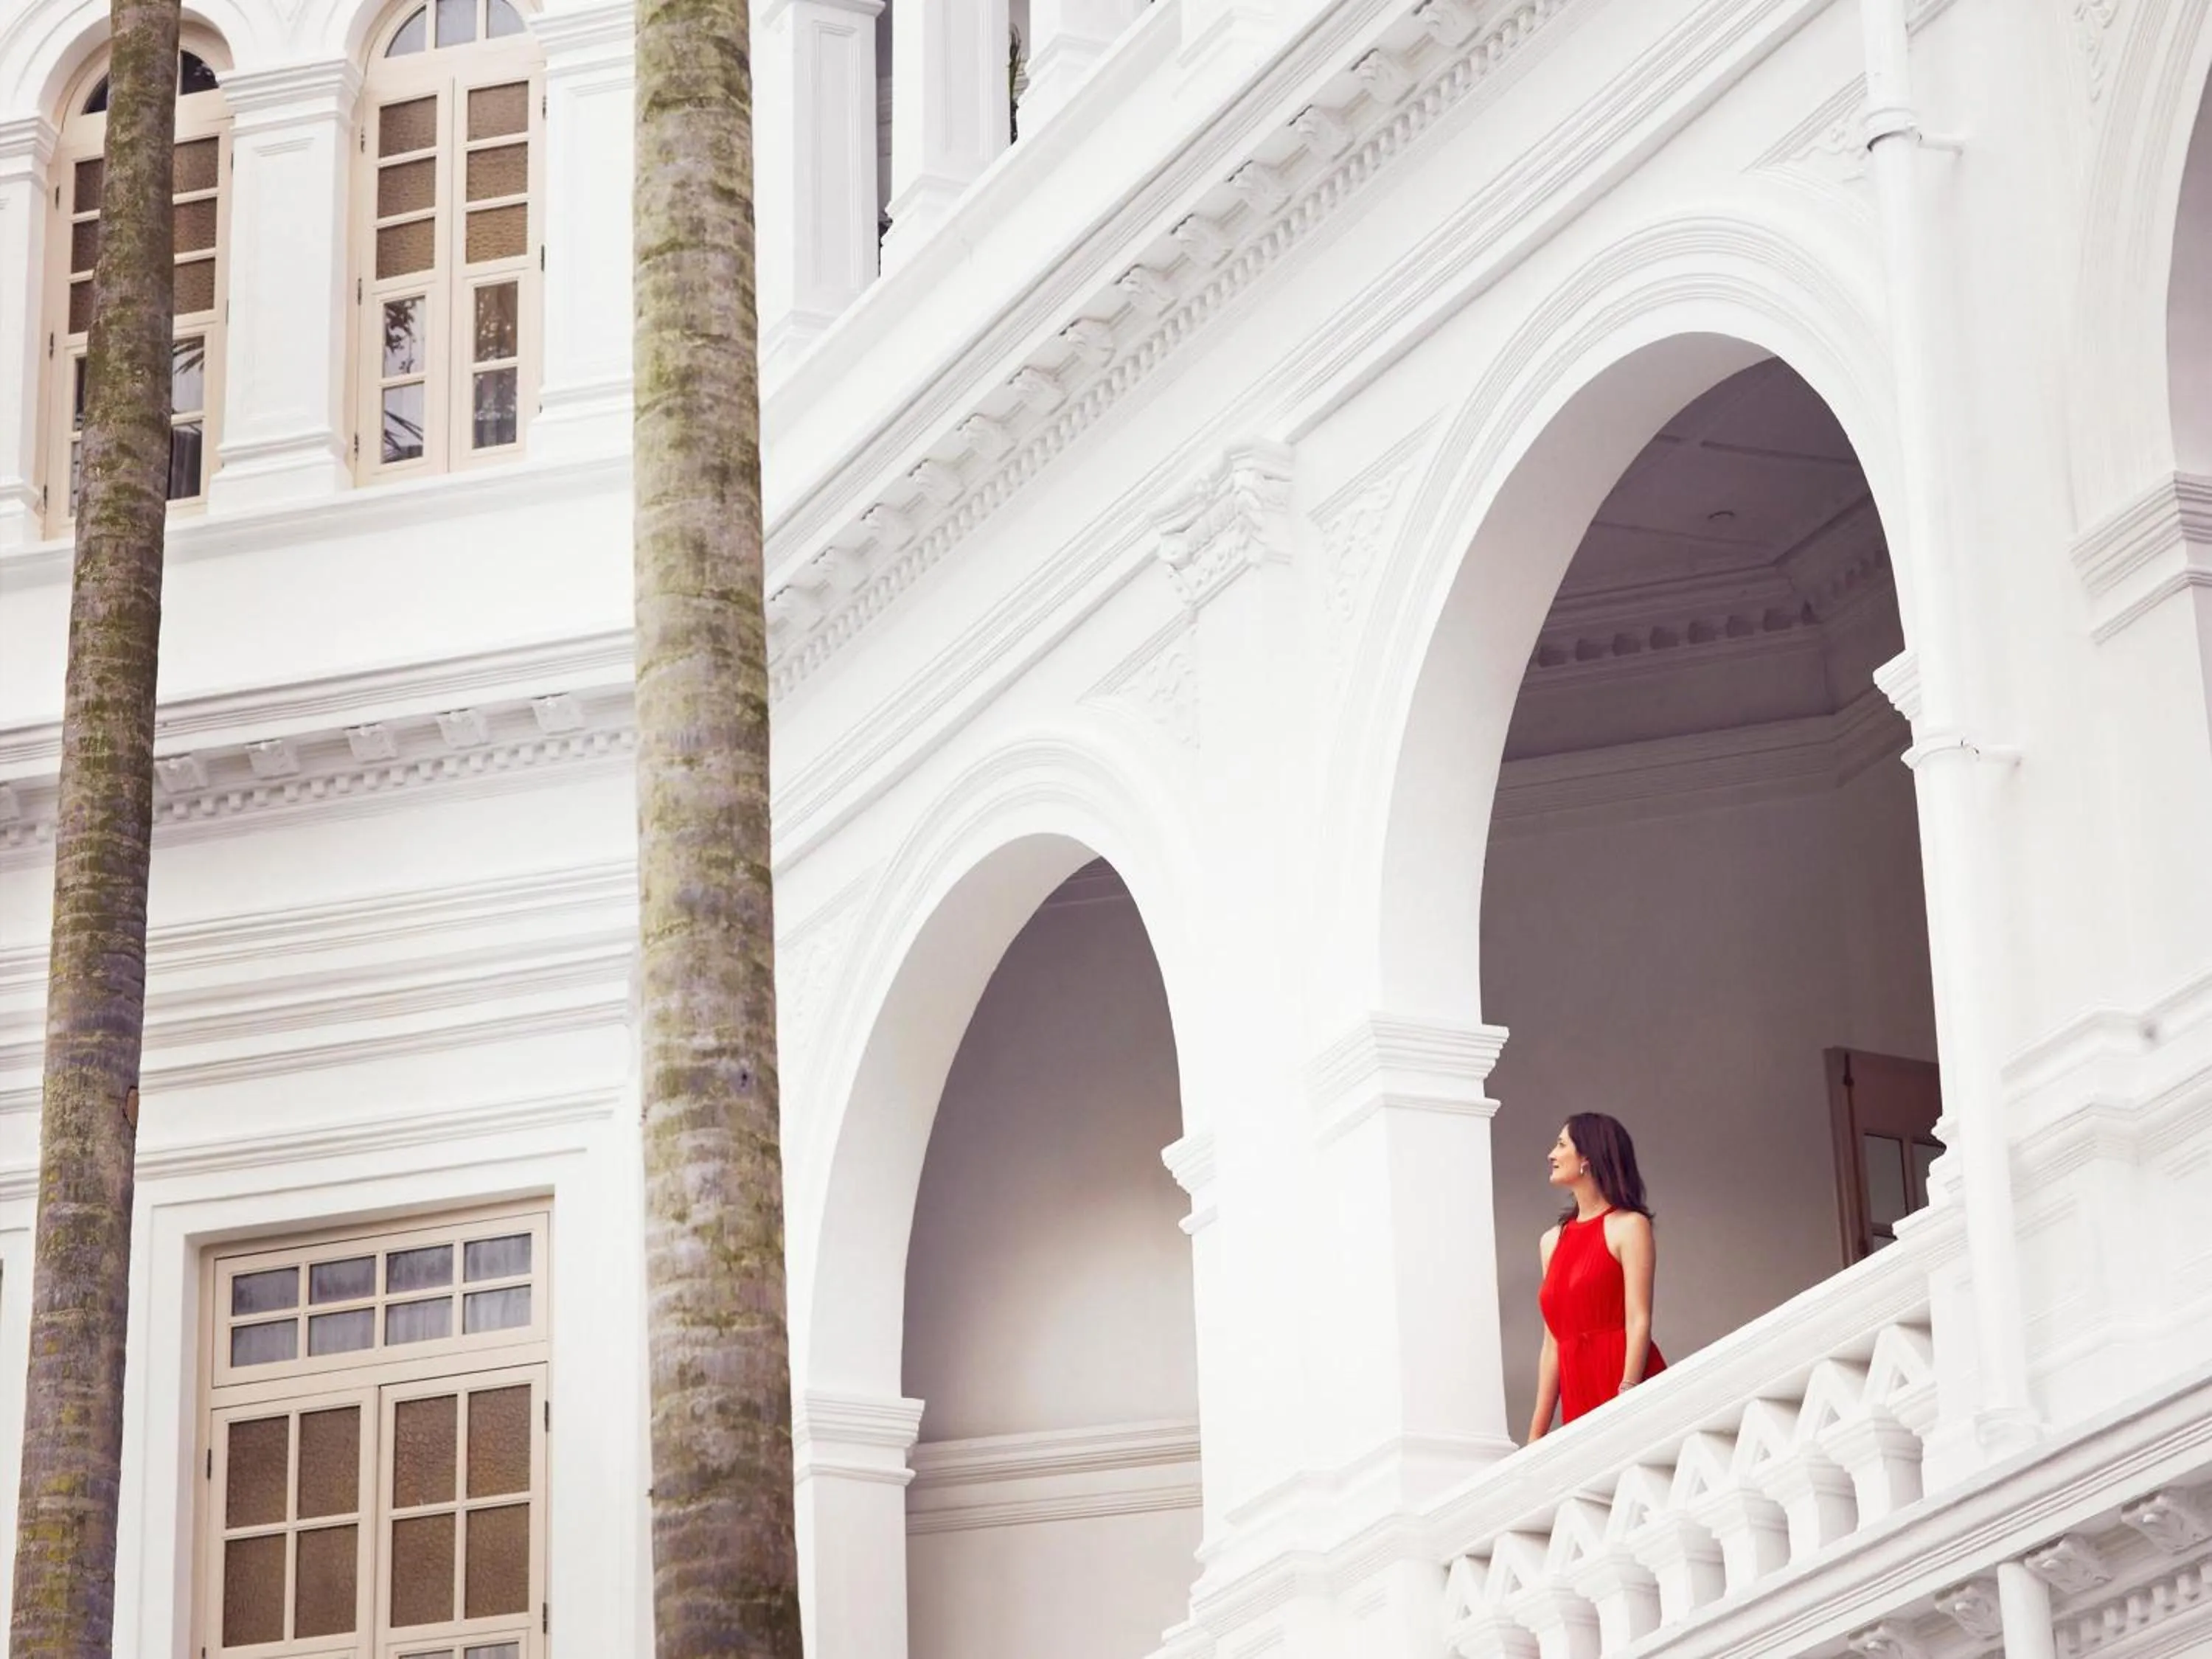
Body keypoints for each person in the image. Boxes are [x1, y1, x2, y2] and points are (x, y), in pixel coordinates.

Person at [1528, 1111, 1666, 1439]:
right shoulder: (1551, 1242)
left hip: (1625, 1382)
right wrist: (1535, 1436)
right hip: (1580, 1393)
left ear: (1587, 1157)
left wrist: (1628, 1392)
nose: (1551, 1154)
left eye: (1562, 1145)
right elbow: (1552, 1344)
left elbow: (1639, 1319)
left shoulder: (1629, 1226)